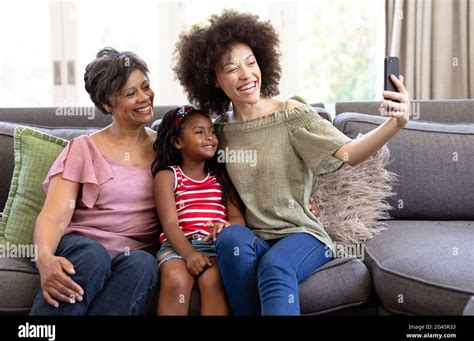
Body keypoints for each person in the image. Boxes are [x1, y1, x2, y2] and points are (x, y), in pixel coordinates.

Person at [173, 10, 410, 315]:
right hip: (254, 238)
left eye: (251, 63)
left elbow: (349, 154)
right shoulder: (218, 133)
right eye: (232, 68)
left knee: (276, 266)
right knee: (231, 239)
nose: (246, 75)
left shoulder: (291, 114)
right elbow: (183, 163)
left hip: (303, 235)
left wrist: (395, 124)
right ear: (214, 80)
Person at [30, 47, 160, 315]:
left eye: (145, 87)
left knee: (143, 264)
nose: (144, 97)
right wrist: (44, 258)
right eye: (130, 93)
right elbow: (54, 217)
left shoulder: (168, 148)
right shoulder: (84, 149)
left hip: (133, 256)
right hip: (83, 248)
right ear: (106, 105)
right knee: (94, 255)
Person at [152, 105, 244, 315]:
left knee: (213, 280)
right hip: (177, 247)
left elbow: (237, 217)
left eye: (211, 131)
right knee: (177, 279)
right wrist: (190, 255)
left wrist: (228, 227)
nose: (209, 137)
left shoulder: (221, 178)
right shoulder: (167, 176)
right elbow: (169, 224)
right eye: (199, 132)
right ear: (177, 142)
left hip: (214, 247)